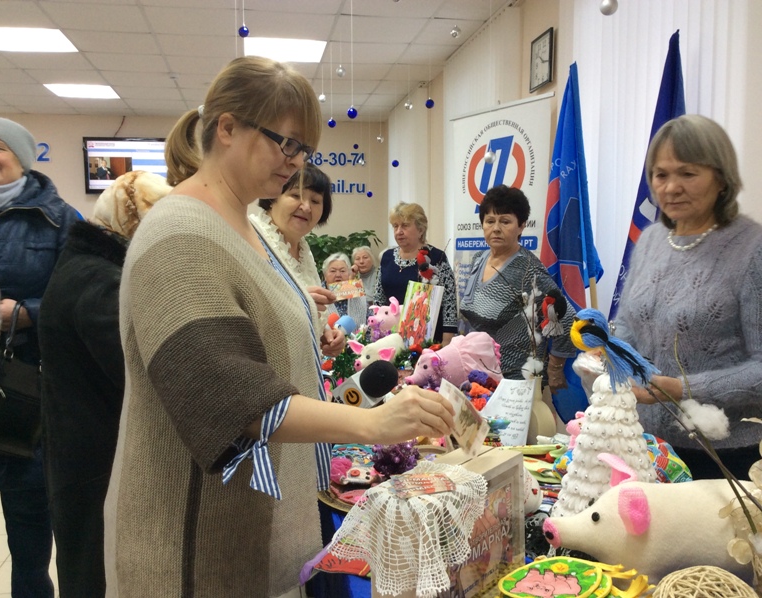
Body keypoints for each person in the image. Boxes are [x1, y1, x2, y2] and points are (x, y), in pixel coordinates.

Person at [103, 56, 454, 597]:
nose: (295, 163)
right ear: (227, 128)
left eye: (303, 149)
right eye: (286, 143)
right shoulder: (179, 234)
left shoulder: (244, 227)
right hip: (198, 545)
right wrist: (373, 424)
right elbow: (228, 396)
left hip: (257, 530)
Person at [38, 171, 171, 597]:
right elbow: (139, 373)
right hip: (95, 463)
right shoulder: (101, 282)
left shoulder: (85, 265)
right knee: (95, 574)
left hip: (81, 454)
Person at [0, 116, 80, 597]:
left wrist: (27, 312)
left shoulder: (61, 220)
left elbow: (83, 298)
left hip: (26, 396)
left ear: (23, 158)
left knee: (30, 541)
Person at [614, 114, 762, 480]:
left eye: (688, 173)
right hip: (644, 446)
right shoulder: (650, 241)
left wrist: (683, 389)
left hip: (723, 457)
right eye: (660, 174)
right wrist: (615, 360)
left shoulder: (752, 249)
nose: (671, 187)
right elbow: (627, 327)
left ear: (721, 179)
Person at [459, 185, 575, 390]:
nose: (496, 228)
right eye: (490, 221)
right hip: (479, 376)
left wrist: (555, 369)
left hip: (515, 382)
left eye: (505, 221)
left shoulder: (528, 269)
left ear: (521, 226)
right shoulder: (479, 259)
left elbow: (565, 318)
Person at [251, 163, 344, 356]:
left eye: (315, 201)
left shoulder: (304, 250)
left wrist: (325, 333)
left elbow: (307, 311)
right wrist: (296, 302)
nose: (306, 207)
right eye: (295, 195)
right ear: (272, 197)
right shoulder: (251, 238)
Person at [373, 202, 458, 345]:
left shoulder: (436, 258)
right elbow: (378, 299)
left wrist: (446, 342)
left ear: (420, 230)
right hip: (390, 339)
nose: (399, 231)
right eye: (395, 226)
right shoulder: (387, 257)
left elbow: (449, 304)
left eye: (405, 226)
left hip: (428, 341)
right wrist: (375, 333)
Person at [322, 252, 368, 330]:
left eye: (342, 271)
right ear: (325, 275)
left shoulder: (357, 293)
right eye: (333, 271)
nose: (338, 275)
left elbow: (369, 323)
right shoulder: (319, 295)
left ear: (349, 274)